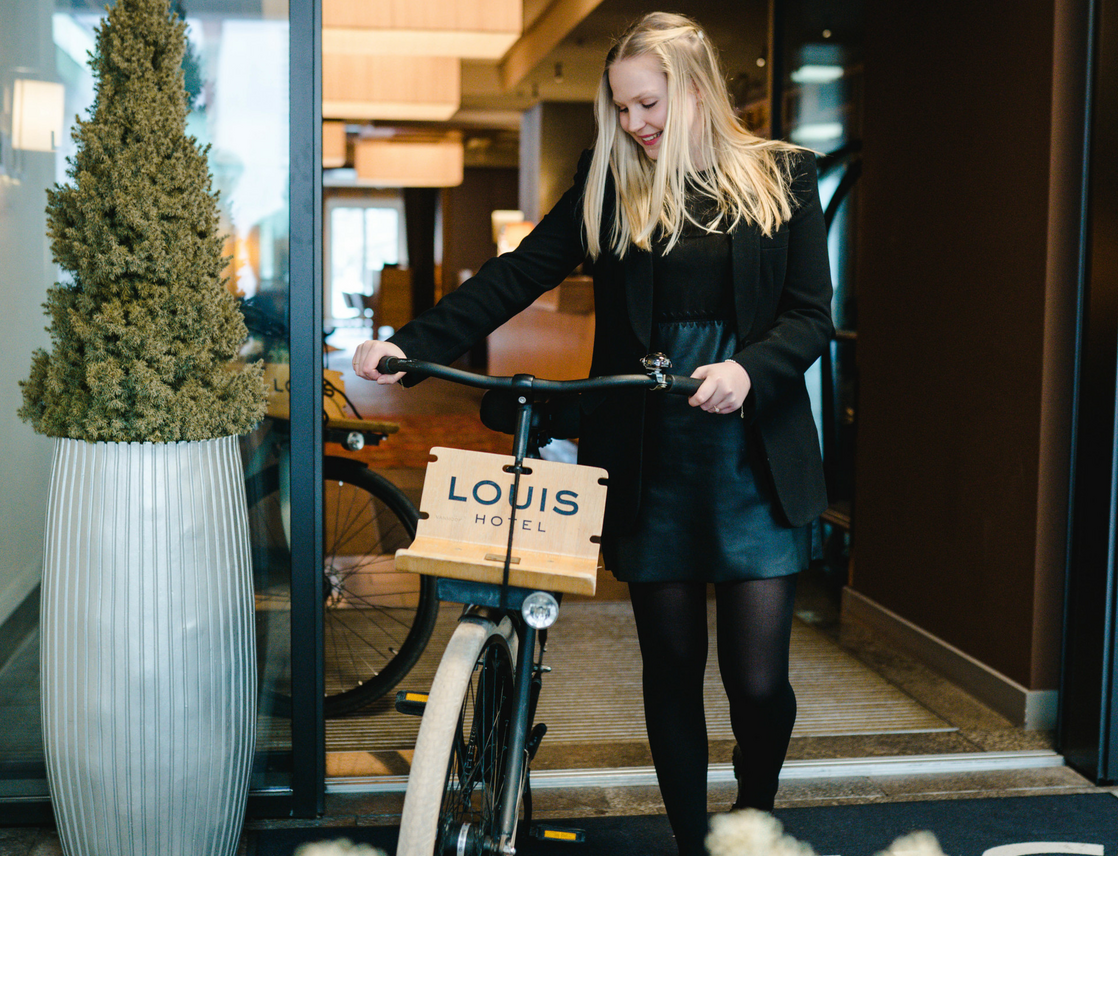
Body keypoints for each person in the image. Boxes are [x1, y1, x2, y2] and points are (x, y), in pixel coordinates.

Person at [353, 11, 834, 855]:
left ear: (692, 91)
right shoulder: (612, 182)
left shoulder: (783, 176)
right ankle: (694, 845)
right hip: (651, 451)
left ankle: (755, 815)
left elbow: (808, 316)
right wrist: (411, 346)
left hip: (752, 451)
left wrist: (751, 369)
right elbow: (519, 271)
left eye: (646, 104)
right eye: (620, 108)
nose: (632, 124)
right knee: (672, 668)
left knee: (758, 683)